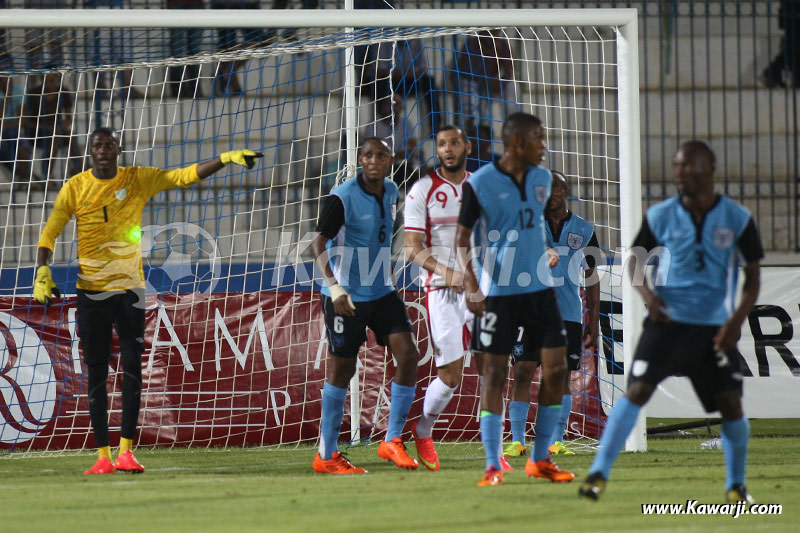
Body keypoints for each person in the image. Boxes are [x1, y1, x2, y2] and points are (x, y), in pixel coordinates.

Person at [34, 127, 262, 474]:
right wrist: (42, 271)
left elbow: (181, 177)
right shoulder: (75, 187)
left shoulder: (138, 179)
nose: (103, 150)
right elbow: (51, 230)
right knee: (95, 373)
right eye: (97, 145)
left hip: (130, 291)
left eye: (109, 144)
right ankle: (102, 457)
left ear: (118, 149)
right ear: (90, 151)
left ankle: (127, 452)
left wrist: (225, 158)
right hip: (92, 292)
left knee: (131, 368)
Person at [579, 141, 763, 503]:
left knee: (731, 406)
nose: (679, 174)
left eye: (688, 167)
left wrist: (736, 322)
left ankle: (737, 484)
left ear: (709, 168)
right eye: (676, 166)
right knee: (636, 392)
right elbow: (633, 262)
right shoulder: (661, 214)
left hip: (713, 330)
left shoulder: (737, 218)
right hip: (666, 325)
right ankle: (598, 473)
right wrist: (649, 299)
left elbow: (753, 278)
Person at [455, 112, 573, 486]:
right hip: (502, 294)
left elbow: (533, 223)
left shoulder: (542, 178)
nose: (544, 145)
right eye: (539, 138)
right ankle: (492, 465)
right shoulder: (481, 183)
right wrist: (472, 284)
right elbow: (462, 238)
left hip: (541, 292)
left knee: (556, 371)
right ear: (518, 143)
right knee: (494, 374)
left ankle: (540, 460)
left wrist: (546, 250)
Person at [311, 137, 420, 475]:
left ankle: (392, 440)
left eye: (381, 155)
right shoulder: (342, 196)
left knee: (408, 354)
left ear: (390, 160)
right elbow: (317, 244)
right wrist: (335, 286)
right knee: (342, 371)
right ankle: (326, 455)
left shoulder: (390, 190)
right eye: (368, 155)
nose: (374, 160)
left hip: (381, 291)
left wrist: (388, 278)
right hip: (346, 296)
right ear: (360, 160)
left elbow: (382, 239)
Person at [503, 170, 601, 459]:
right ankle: (518, 440)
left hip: (567, 314)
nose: (551, 193)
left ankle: (555, 440)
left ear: (567, 191)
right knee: (522, 372)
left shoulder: (584, 229)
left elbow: (592, 276)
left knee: (559, 378)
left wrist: (593, 319)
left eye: (557, 187)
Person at [403, 125, 472, 471]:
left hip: (480, 289)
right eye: (442, 144)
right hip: (441, 290)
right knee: (451, 374)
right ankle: (423, 429)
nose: (447, 149)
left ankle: (497, 452)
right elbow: (412, 248)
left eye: (454, 142)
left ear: (467, 146)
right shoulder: (422, 190)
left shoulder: (480, 188)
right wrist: (449, 274)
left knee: (494, 367)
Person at [451, 29, 520, 133]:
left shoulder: (503, 44)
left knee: (512, 86)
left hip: (493, 85)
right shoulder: (472, 43)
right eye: (491, 31)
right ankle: (468, 128)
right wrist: (487, 81)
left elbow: (509, 71)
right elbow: (467, 72)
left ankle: (513, 126)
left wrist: (500, 82)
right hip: (475, 84)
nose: (494, 34)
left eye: (496, 31)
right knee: (467, 87)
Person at [23, 73, 83, 180]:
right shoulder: (33, 93)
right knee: (57, 136)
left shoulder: (64, 92)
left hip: (57, 131)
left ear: (58, 80)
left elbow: (69, 118)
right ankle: (47, 175)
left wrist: (61, 126)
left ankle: (81, 171)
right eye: (47, 80)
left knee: (70, 135)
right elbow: (27, 122)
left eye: (52, 80)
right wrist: (49, 128)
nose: (49, 84)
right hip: (36, 132)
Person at [210, 0, 267, 96]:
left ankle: (226, 75)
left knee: (259, 41)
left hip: (240, 5)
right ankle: (229, 79)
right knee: (227, 45)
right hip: (227, 5)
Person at [166, 0, 205, 99]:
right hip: (176, 5)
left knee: (194, 51)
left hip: (196, 5)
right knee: (177, 51)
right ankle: (178, 89)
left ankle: (194, 89)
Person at [760, 0, 800, 88]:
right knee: (793, 48)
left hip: (792, 12)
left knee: (793, 47)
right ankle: (772, 73)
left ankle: (773, 73)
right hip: (793, 12)